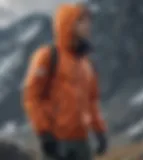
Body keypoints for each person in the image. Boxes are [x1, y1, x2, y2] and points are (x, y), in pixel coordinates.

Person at [23, 3, 108, 160]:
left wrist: (99, 131)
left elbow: (92, 101)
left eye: (88, 21)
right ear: (68, 24)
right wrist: (44, 134)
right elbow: (32, 97)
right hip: (56, 141)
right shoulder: (48, 56)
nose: (88, 26)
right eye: (81, 21)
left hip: (82, 142)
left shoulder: (87, 64)